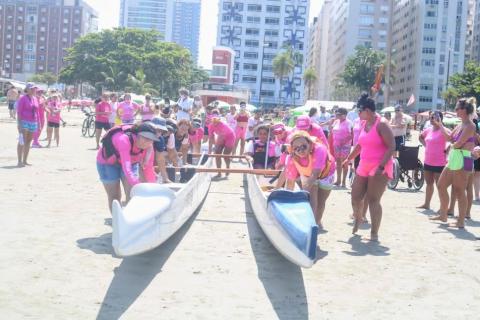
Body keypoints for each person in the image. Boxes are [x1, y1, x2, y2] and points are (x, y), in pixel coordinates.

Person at [344, 93, 395, 241]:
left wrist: (381, 166)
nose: (357, 113)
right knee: (355, 197)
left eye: (359, 110)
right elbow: (360, 144)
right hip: (364, 165)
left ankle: (374, 233)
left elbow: (391, 146)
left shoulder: (382, 124)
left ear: (367, 110)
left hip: (380, 166)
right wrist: (349, 159)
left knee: (373, 200)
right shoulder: (363, 124)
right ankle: (358, 217)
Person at [431, 98, 477, 228]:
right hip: (455, 157)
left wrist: (450, 146)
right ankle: (444, 214)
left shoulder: (471, 125)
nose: (455, 110)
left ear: (464, 110)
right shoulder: (460, 124)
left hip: (465, 158)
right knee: (441, 185)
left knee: (459, 190)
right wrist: (440, 125)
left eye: (457, 108)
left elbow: (459, 143)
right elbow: (449, 138)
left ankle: (461, 221)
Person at [96, 122, 158, 212]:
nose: (148, 142)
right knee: (115, 196)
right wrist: (140, 186)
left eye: (151, 139)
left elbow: (149, 147)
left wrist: (146, 160)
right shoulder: (124, 140)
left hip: (130, 162)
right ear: (138, 135)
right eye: (145, 138)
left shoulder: (148, 143)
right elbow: (127, 169)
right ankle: (117, 220)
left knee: (132, 194)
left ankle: (131, 217)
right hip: (107, 163)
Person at [285, 131, 336, 227]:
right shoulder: (291, 157)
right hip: (309, 173)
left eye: (304, 146)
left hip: (327, 173)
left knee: (321, 202)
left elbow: (315, 174)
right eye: (296, 148)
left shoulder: (320, 149)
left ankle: (316, 223)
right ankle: (311, 225)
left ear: (310, 143)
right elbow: (290, 182)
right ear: (292, 149)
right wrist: (288, 202)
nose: (301, 150)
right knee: (312, 200)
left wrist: (303, 193)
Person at [417, 111, 451, 210]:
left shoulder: (445, 130)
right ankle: (426, 204)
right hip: (428, 160)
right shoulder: (428, 130)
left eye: (434, 117)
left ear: (440, 119)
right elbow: (420, 137)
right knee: (429, 183)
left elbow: (451, 140)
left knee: (440, 186)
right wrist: (425, 145)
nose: (432, 119)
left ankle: (442, 207)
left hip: (440, 162)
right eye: (431, 117)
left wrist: (447, 150)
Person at [16, 83, 39, 167]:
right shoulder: (23, 98)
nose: (34, 90)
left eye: (35, 89)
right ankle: (19, 161)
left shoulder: (35, 98)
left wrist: (38, 123)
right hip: (24, 121)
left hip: (33, 122)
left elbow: (37, 111)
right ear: (27, 89)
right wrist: (19, 124)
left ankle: (25, 160)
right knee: (22, 141)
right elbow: (19, 112)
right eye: (32, 88)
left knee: (29, 141)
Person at [208, 113, 236, 177]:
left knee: (226, 155)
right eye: (213, 120)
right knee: (217, 154)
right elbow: (211, 138)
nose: (215, 122)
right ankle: (219, 172)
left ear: (219, 120)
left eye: (216, 120)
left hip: (230, 137)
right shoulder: (210, 126)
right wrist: (210, 150)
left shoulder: (223, 125)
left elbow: (221, 138)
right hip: (221, 137)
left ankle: (228, 167)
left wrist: (216, 146)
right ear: (211, 121)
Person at [331, 108, 353, 187]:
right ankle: (338, 180)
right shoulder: (336, 122)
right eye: (337, 114)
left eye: (339, 114)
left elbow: (352, 134)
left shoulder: (349, 122)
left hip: (345, 145)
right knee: (338, 163)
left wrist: (344, 141)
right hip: (336, 144)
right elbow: (332, 130)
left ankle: (343, 182)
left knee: (344, 163)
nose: (337, 116)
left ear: (344, 115)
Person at [149, 117, 173, 184]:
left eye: (161, 131)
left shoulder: (160, 139)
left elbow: (160, 159)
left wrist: (165, 178)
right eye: (157, 130)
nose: (158, 133)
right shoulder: (142, 136)